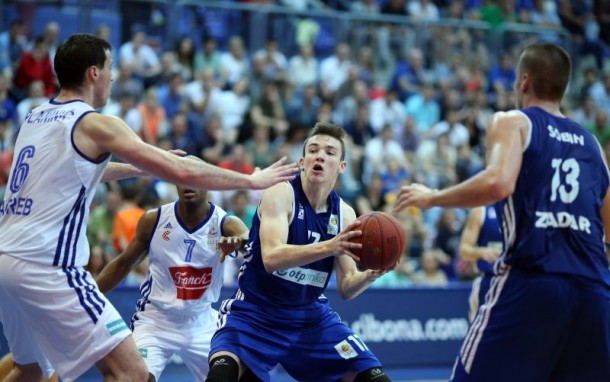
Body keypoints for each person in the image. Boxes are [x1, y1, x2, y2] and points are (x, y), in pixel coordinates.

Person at [0, 33, 296, 382]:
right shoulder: (95, 122)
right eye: (111, 69)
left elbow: (80, 170)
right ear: (94, 73)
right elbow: (185, 171)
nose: (114, 77)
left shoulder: (36, 117)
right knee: (132, 374)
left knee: (28, 368)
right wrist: (250, 181)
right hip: (48, 264)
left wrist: (145, 165)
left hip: (7, 259)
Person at [394, 43, 610, 381]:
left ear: (524, 82)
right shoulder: (593, 144)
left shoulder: (514, 122)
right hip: (594, 291)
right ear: (564, 87)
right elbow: (607, 229)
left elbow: (498, 183)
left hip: (534, 281)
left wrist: (433, 197)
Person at [206, 122, 392, 382]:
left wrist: (371, 274)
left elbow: (347, 287)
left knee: (375, 378)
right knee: (221, 375)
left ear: (341, 167)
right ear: (302, 162)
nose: (320, 156)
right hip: (256, 313)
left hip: (309, 318)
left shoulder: (345, 213)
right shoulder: (281, 192)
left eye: (329, 152)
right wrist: (330, 245)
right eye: (314, 150)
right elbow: (271, 258)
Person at [96, 166, 249, 382]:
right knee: (132, 377)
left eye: (195, 178)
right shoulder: (153, 219)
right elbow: (123, 264)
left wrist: (242, 243)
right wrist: (88, 296)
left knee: (238, 376)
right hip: (157, 319)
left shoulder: (226, 223)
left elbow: (250, 245)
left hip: (202, 320)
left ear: (207, 183)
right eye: (182, 178)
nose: (188, 184)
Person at [458, 205, 502, 321]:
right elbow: (464, 249)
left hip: (518, 280)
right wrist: (480, 252)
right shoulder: (481, 210)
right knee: (482, 334)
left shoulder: (524, 206)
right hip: (489, 280)